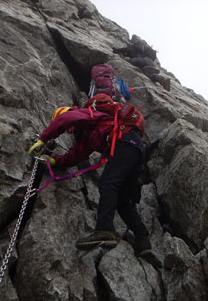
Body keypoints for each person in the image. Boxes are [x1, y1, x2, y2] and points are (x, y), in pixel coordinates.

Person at [28, 96, 161, 267]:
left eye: (65, 127)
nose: (68, 131)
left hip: (125, 143)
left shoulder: (86, 114)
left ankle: (104, 229)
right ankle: (143, 242)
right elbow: (75, 156)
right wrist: (54, 161)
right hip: (134, 149)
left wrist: (43, 138)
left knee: (108, 183)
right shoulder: (86, 134)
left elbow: (66, 118)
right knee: (123, 201)